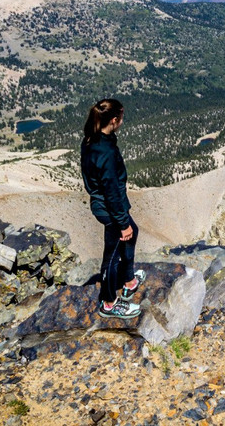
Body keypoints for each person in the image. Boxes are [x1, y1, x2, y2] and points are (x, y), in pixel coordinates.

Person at [81, 98, 145, 318]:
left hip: (108, 205)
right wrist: (122, 222)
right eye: (122, 117)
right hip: (109, 208)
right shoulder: (105, 151)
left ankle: (128, 280)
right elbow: (111, 191)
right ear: (115, 120)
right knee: (112, 254)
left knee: (131, 234)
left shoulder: (94, 138)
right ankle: (109, 302)